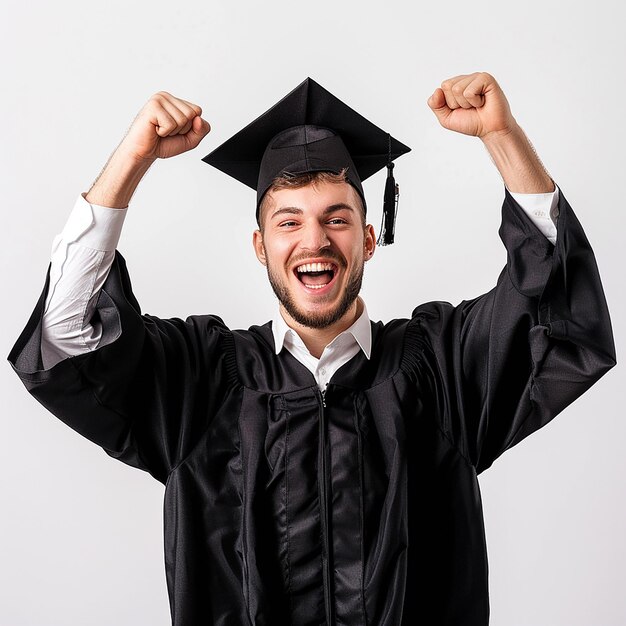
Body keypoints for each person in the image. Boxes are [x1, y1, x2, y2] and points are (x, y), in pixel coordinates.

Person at [8, 73, 616, 625]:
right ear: (259, 244)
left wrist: (502, 137)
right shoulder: (199, 382)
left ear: (370, 238)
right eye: (288, 221)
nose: (314, 240)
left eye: (337, 218)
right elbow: (66, 333)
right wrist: (131, 159)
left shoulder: (442, 369)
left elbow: (559, 315)